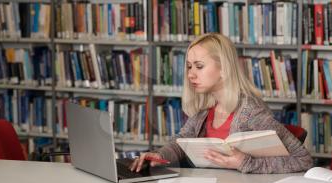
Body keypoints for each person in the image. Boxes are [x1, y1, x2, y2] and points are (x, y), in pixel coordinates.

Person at [131, 33, 313, 174]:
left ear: (224, 69)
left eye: (199, 66)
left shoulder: (251, 112)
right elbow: (180, 143)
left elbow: (303, 160)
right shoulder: (205, 109)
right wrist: (160, 155)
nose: (190, 74)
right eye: (189, 66)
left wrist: (245, 162)